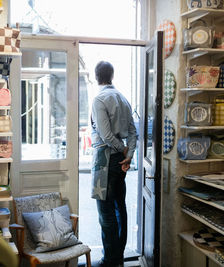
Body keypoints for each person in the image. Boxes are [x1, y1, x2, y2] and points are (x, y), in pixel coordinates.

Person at [90, 61, 137, 267]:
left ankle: (110, 260)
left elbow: (106, 135)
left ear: (96, 76)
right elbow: (134, 132)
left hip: (104, 159)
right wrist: (129, 153)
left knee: (105, 211)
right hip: (120, 160)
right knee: (120, 207)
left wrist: (122, 149)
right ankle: (118, 259)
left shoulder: (99, 99)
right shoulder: (123, 98)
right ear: (112, 75)